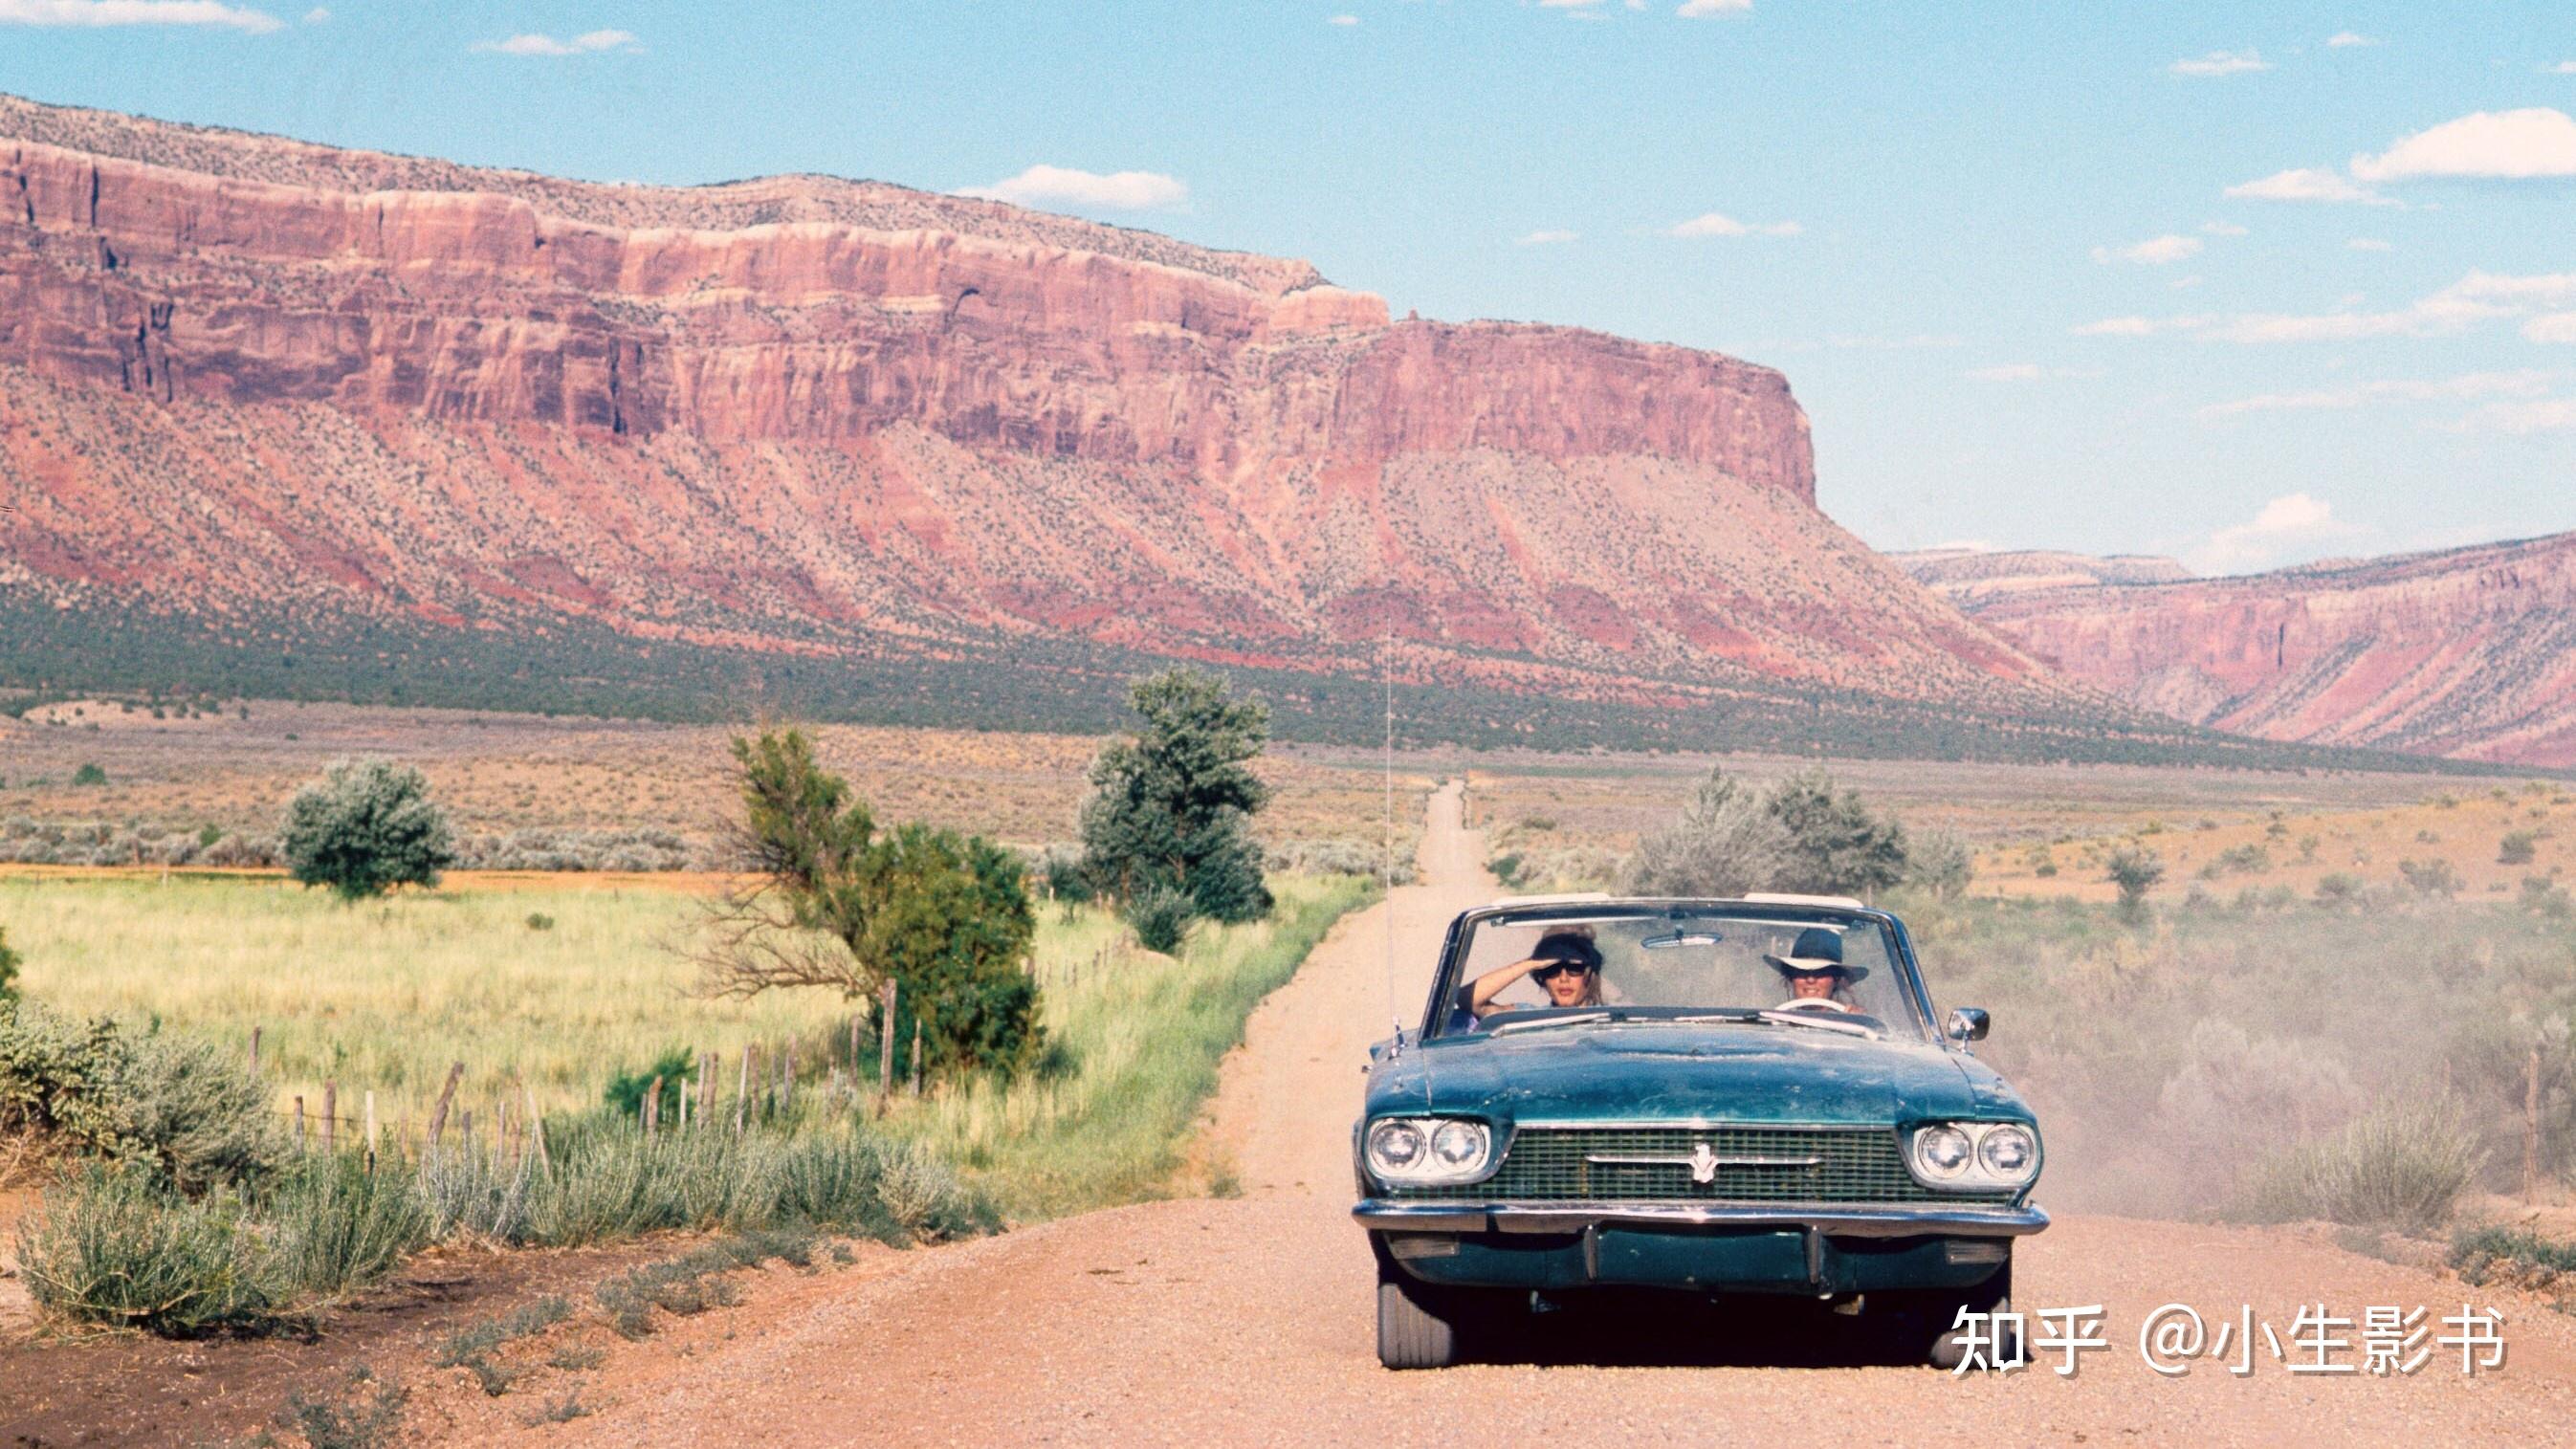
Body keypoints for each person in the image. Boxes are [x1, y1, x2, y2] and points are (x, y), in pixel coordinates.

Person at [1464, 929, 1604, 1019]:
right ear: (1542, 979)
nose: (1563, 978)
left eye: (1574, 968)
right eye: (1552, 970)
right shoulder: (1529, 1017)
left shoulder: (1615, 1020)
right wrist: (1531, 963)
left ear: (1590, 975)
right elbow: (1467, 999)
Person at [1763, 926, 1869, 1014]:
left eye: (1821, 972)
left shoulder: (1854, 1025)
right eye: (1802, 971)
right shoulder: (1774, 1025)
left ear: (1836, 979)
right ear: (1791, 977)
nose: (1810, 979)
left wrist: (1858, 1021)